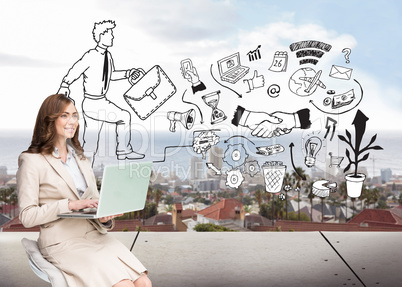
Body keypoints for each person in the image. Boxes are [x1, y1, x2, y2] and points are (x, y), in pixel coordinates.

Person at [17, 94, 152, 287]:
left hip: (94, 236)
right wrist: (70, 205)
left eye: (75, 116)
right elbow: (27, 216)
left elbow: (95, 202)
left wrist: (105, 217)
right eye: (65, 115)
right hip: (61, 242)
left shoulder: (81, 159)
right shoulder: (31, 161)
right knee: (124, 285)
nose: (73, 121)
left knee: (144, 282)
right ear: (49, 120)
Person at [58, 20, 144, 164]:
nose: (112, 36)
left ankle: (84, 171)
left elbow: (111, 75)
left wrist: (129, 73)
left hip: (100, 101)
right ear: (101, 35)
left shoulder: (108, 56)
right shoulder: (91, 56)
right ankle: (123, 150)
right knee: (123, 116)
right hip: (93, 102)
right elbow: (76, 70)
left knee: (90, 144)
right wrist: (65, 84)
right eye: (109, 33)